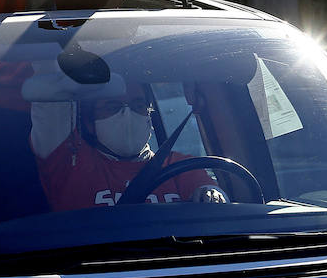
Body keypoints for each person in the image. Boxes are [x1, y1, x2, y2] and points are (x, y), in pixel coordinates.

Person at [23, 70, 216, 209]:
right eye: (112, 106)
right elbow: (50, 104)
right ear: (90, 122)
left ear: (149, 115)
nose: (127, 114)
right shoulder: (69, 164)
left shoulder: (181, 167)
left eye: (138, 105)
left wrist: (210, 194)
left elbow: (211, 201)